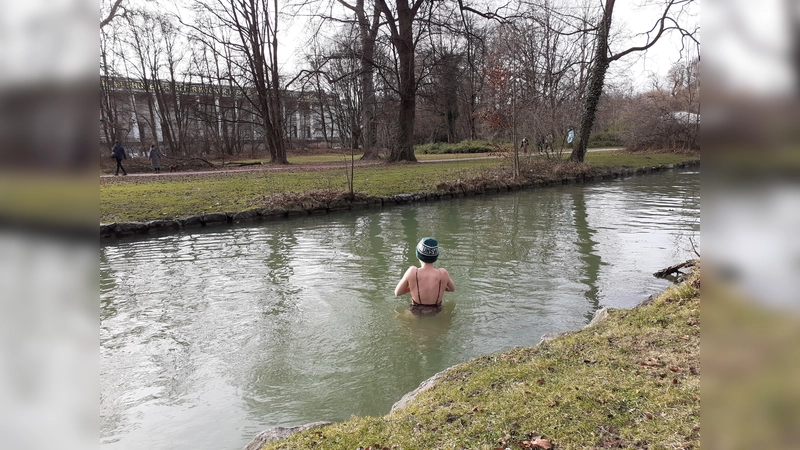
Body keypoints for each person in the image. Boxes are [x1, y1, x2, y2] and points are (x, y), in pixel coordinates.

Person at [394, 237, 455, 314]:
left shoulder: (412, 271)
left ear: (418, 255)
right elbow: (452, 289)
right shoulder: (443, 273)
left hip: (415, 310)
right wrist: (440, 286)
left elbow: (397, 292)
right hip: (437, 310)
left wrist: (412, 287)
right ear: (436, 257)